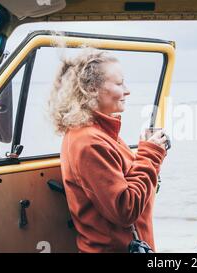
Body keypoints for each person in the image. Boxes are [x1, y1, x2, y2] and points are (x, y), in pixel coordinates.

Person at [49, 48, 168, 253]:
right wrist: (150, 155)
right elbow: (125, 209)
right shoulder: (89, 142)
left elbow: (127, 178)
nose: (127, 90)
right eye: (120, 83)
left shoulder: (100, 133)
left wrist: (147, 152)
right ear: (92, 88)